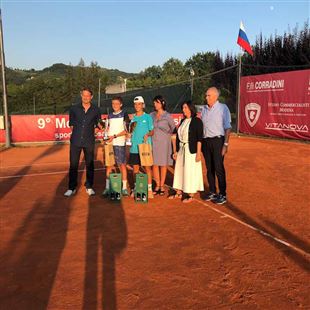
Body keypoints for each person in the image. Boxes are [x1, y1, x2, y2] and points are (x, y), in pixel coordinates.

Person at [64, 87, 101, 197]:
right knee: (73, 165)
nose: (85, 97)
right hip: (75, 141)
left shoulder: (96, 110)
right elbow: (71, 125)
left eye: (88, 95)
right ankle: (71, 188)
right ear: (81, 96)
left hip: (89, 141)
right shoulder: (74, 109)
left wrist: (92, 132)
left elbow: (98, 125)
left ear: (91, 97)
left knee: (90, 164)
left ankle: (89, 187)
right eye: (84, 95)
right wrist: (79, 133)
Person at [201, 87, 232, 205]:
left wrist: (226, 144)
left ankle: (222, 194)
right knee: (209, 168)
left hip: (218, 141)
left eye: (208, 95)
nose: (206, 97)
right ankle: (213, 191)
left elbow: (228, 127)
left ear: (215, 96)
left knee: (219, 168)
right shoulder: (204, 109)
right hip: (206, 141)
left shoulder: (223, 108)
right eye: (206, 95)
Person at [170, 100, 204, 203]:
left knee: (190, 171)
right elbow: (177, 138)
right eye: (183, 108)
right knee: (179, 170)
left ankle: (191, 194)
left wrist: (198, 153)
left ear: (190, 108)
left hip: (191, 150)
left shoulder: (197, 121)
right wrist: (175, 151)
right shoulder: (182, 121)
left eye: (185, 107)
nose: (183, 110)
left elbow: (199, 138)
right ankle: (179, 191)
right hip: (181, 149)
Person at [102, 96, 130, 197]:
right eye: (113, 103)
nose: (115, 105)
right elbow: (106, 129)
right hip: (109, 143)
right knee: (109, 166)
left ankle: (124, 188)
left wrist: (114, 136)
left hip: (119, 143)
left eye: (117, 103)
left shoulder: (124, 114)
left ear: (121, 104)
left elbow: (126, 130)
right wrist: (106, 137)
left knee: (122, 165)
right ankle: (107, 187)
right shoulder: (109, 116)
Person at [128, 96, 154, 199]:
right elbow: (130, 132)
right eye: (135, 104)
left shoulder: (148, 117)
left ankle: (149, 189)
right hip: (134, 147)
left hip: (145, 147)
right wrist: (129, 135)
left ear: (143, 105)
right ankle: (136, 188)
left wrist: (147, 135)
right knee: (135, 169)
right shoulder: (132, 118)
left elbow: (152, 131)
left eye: (139, 104)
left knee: (147, 168)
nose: (137, 106)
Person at [150, 95, 176, 196]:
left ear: (162, 103)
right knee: (155, 164)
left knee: (163, 164)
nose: (155, 104)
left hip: (165, 143)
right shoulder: (151, 115)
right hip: (154, 142)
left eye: (157, 102)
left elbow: (173, 129)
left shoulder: (167, 116)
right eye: (154, 103)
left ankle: (161, 186)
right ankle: (157, 185)